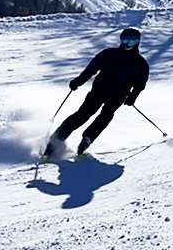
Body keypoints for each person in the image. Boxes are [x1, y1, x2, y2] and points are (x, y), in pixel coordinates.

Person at [43, 28, 150, 157]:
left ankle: (87, 139)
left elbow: (140, 84)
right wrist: (78, 81)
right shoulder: (108, 54)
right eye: (124, 40)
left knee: (106, 115)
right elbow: (91, 70)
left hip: (118, 95)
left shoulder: (140, 63)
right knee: (83, 114)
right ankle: (56, 140)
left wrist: (133, 97)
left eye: (131, 42)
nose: (127, 44)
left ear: (137, 43)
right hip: (99, 90)